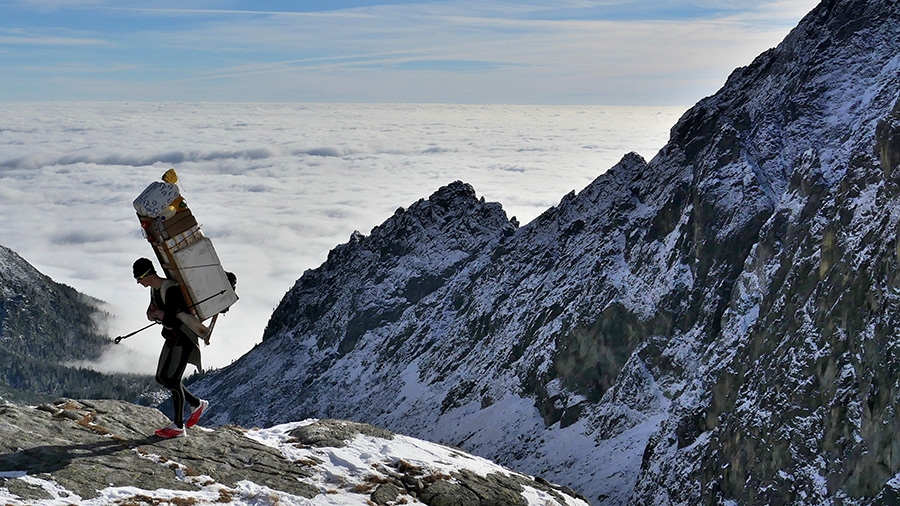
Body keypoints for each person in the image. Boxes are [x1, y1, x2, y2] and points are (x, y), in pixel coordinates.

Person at [133, 257, 209, 438]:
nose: (138, 282)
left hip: (183, 337)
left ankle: (178, 426)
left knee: (172, 379)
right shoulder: (156, 289)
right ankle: (197, 404)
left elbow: (172, 319)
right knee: (162, 377)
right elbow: (153, 313)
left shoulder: (170, 289)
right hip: (172, 337)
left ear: (147, 274)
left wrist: (159, 314)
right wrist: (156, 314)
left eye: (139, 278)